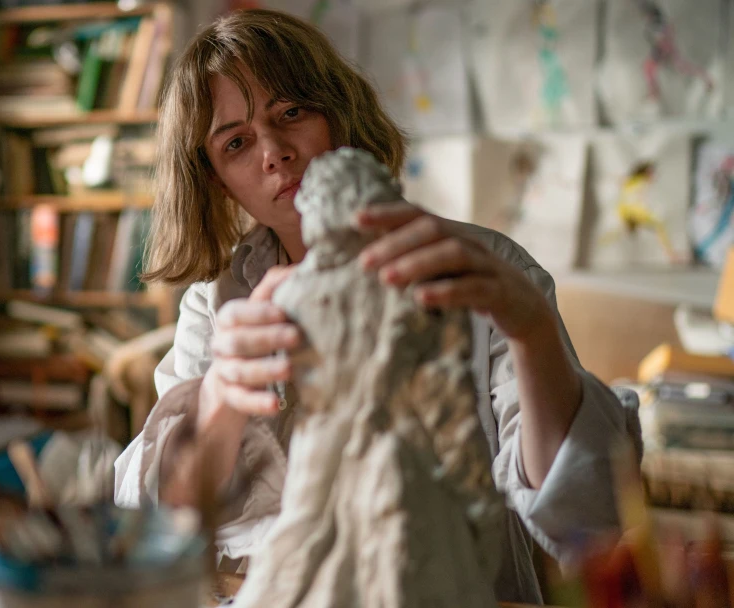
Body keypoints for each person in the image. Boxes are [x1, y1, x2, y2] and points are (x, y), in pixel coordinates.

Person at [113, 8, 641, 604]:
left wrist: (533, 332)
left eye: (292, 113)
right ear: (215, 178)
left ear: (337, 112)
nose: (275, 152)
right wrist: (217, 403)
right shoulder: (215, 308)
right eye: (236, 142)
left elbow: (587, 516)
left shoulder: (484, 271)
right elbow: (154, 524)